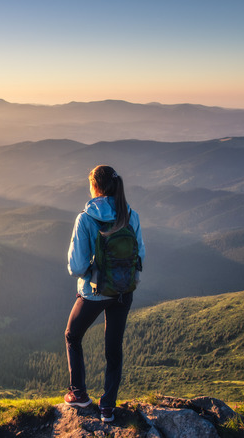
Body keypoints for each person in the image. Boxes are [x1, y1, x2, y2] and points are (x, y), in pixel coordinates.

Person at [64, 165, 145, 423]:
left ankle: (79, 394)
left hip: (94, 292)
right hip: (123, 291)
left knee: (72, 335)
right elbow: (139, 255)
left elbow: (76, 267)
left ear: (95, 187)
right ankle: (107, 407)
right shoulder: (131, 215)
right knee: (114, 349)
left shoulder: (86, 219)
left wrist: (92, 270)